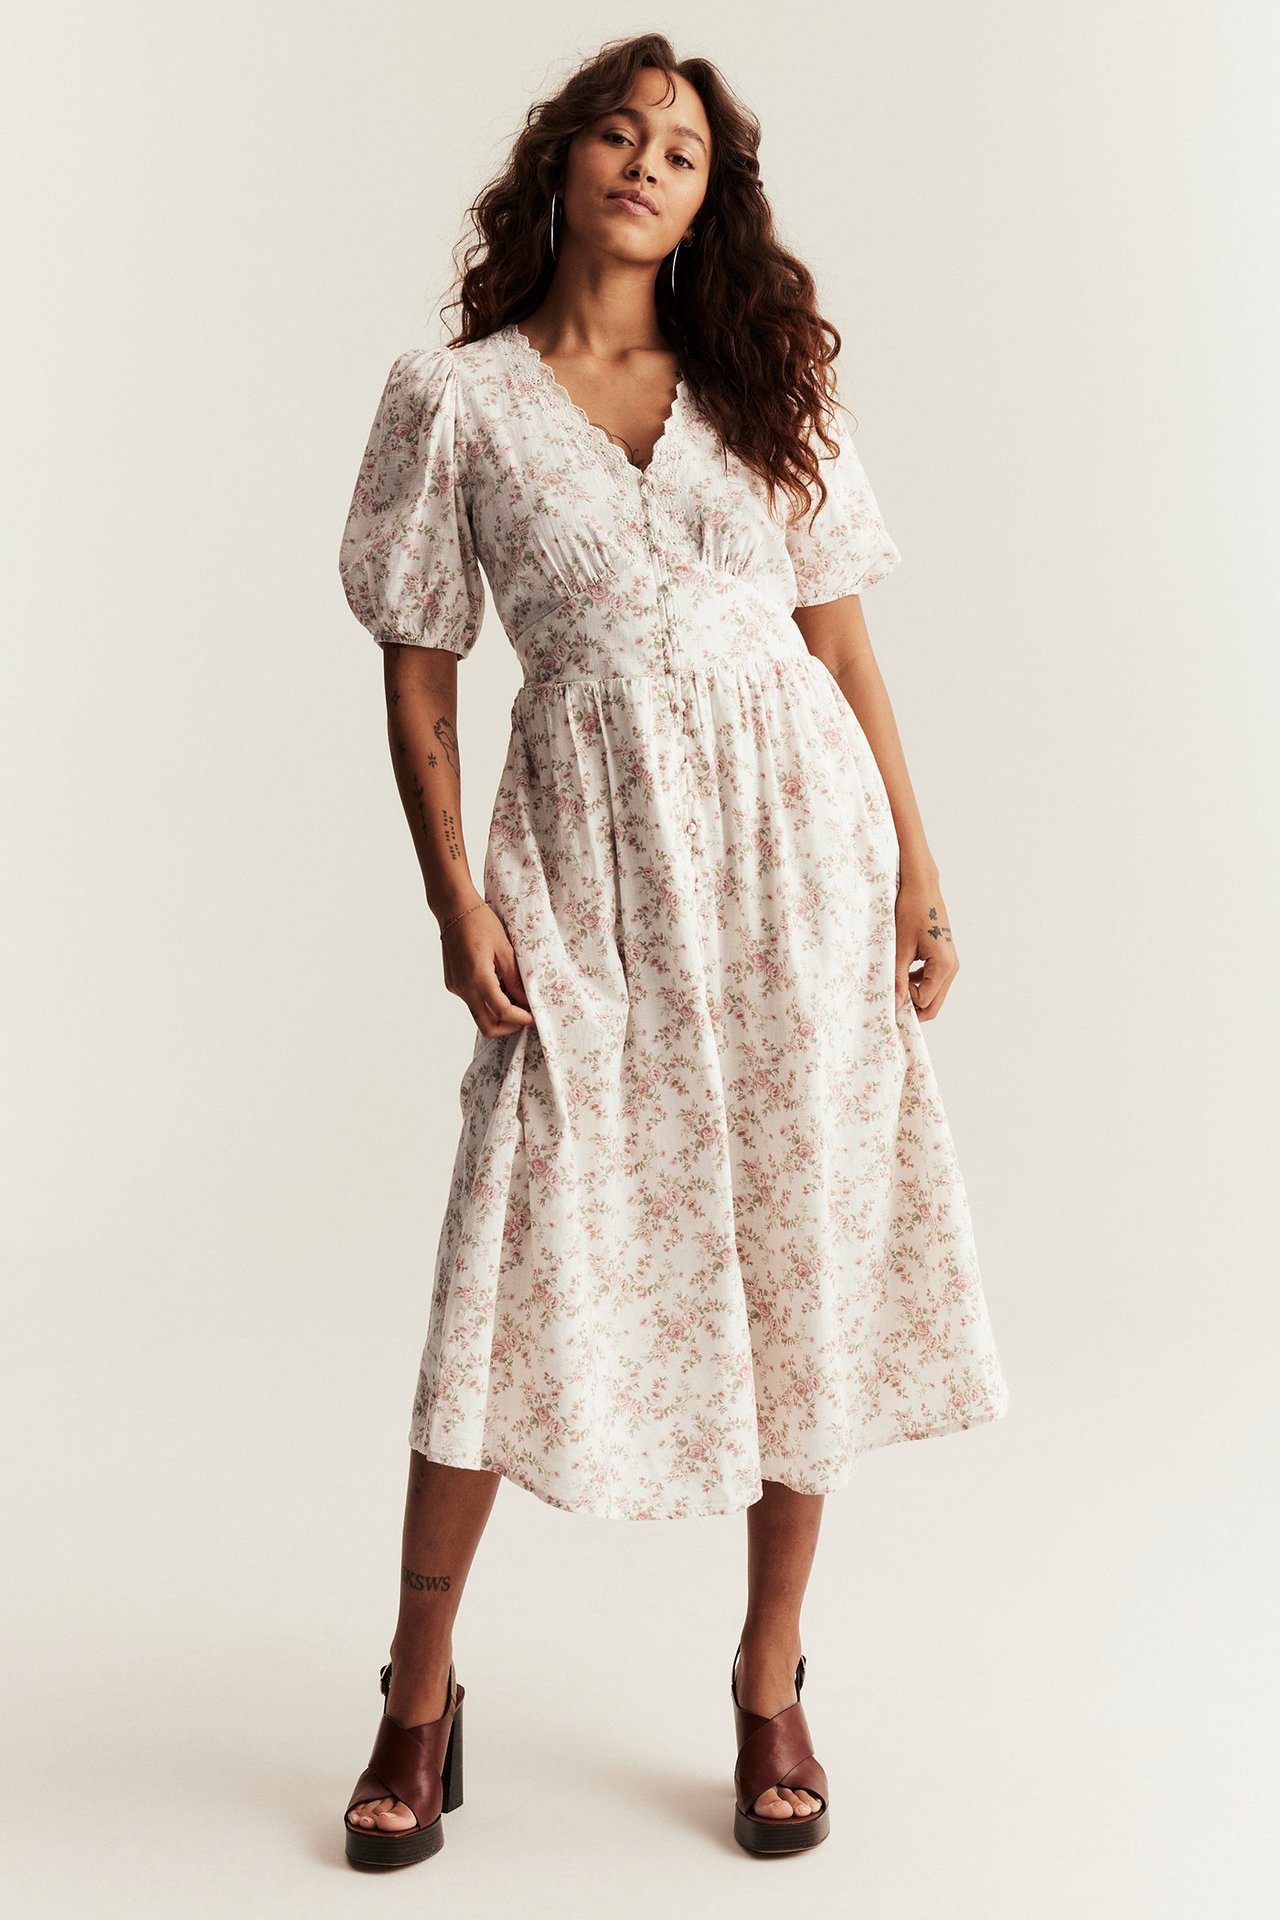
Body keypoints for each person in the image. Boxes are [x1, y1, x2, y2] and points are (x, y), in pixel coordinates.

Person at [336, 32, 1009, 1869]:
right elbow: (417, 660)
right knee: (511, 1251)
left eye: (685, 151)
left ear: (714, 200)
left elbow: (842, 645)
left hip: (802, 852)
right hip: (593, 867)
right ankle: (415, 1693)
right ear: (559, 165)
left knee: (796, 1242)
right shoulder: (453, 397)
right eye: (620, 133)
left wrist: (918, 871)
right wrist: (451, 897)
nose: (648, 163)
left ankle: (771, 1677)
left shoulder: (760, 375)